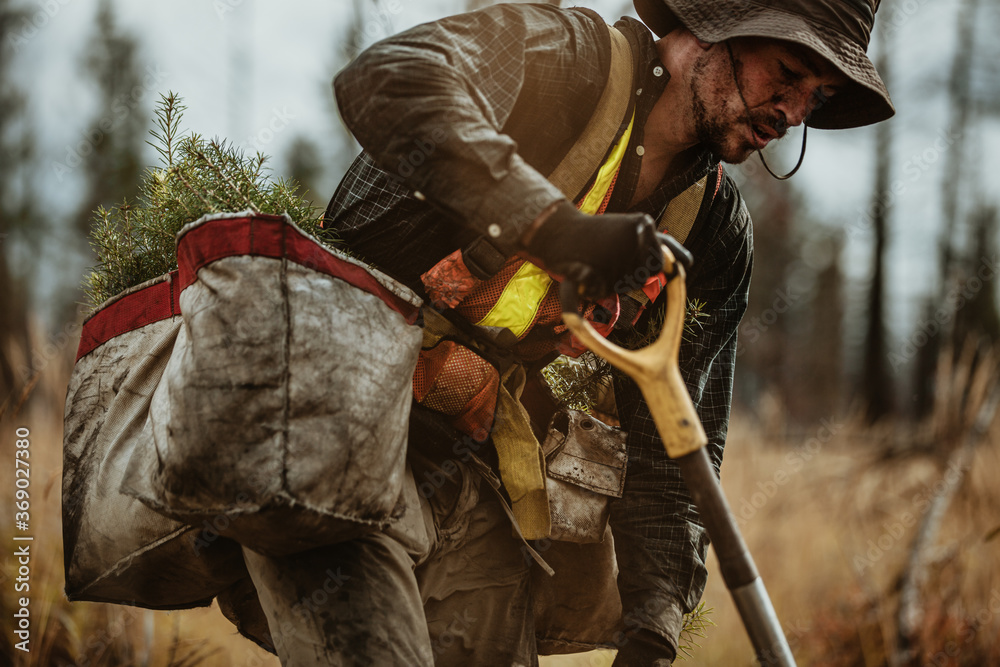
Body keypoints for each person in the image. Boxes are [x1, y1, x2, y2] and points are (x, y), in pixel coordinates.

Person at [238, 0, 893, 665]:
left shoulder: (712, 233)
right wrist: (555, 228)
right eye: (785, 71)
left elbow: (674, 448)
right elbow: (386, 78)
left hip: (467, 469)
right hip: (332, 427)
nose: (790, 112)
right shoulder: (562, 60)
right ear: (715, 24)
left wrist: (652, 632)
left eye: (817, 98)